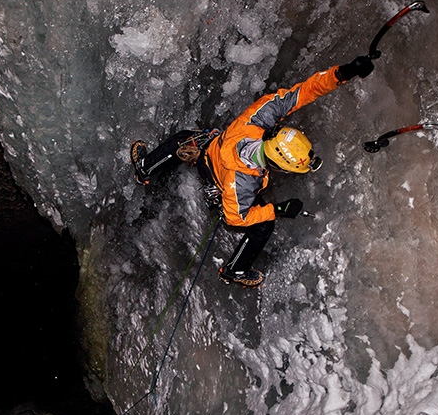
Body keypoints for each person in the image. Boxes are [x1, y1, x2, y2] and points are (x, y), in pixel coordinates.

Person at [131, 55, 375, 287]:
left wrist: (343, 72)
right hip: (219, 180)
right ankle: (235, 270)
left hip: (213, 149)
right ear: (279, 166)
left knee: (184, 140)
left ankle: (145, 168)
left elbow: (304, 92)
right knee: (263, 226)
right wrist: (277, 210)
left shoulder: (257, 119)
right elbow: (235, 217)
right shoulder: (244, 182)